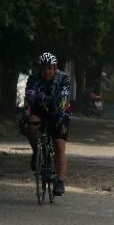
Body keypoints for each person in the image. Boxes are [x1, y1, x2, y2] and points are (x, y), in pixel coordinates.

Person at [20, 52, 71, 196]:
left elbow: (63, 101)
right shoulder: (33, 79)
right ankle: (37, 152)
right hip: (39, 110)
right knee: (31, 125)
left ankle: (60, 181)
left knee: (59, 145)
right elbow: (28, 100)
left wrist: (59, 121)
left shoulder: (63, 79)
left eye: (50, 68)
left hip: (60, 111)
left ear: (55, 68)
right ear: (40, 69)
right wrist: (25, 116)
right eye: (43, 69)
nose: (47, 72)